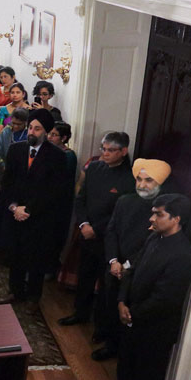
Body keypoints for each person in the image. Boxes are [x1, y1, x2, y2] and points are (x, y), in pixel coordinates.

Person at [97, 194, 191, 380]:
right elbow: (131, 272)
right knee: (126, 366)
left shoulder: (182, 254)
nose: (151, 218)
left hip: (155, 329)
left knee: (148, 378)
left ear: (176, 219)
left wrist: (132, 313)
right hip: (131, 318)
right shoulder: (154, 238)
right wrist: (122, 301)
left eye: (159, 214)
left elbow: (166, 298)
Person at [90, 158, 170, 361]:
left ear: (159, 183)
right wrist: (113, 261)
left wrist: (127, 265)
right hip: (115, 267)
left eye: (148, 180)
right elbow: (112, 232)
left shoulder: (164, 210)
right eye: (139, 179)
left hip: (139, 271)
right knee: (110, 306)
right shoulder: (125, 201)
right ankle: (110, 344)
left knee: (129, 313)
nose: (142, 185)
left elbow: (153, 243)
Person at [60, 132, 134, 328]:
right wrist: (84, 224)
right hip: (87, 233)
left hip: (108, 239)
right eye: (103, 149)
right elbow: (81, 199)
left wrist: (96, 229)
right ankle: (80, 313)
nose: (105, 153)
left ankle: (102, 325)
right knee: (84, 276)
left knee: (106, 284)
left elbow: (119, 213)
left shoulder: (130, 179)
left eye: (111, 150)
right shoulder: (94, 168)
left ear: (123, 151)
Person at [0, 109, 69, 312]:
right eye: (30, 127)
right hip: (15, 213)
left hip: (39, 217)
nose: (32, 131)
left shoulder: (56, 156)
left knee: (36, 258)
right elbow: (7, 183)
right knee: (15, 254)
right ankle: (15, 291)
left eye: (37, 129)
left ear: (45, 132)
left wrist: (28, 209)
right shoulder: (16, 150)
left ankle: (33, 297)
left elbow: (54, 191)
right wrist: (13, 206)